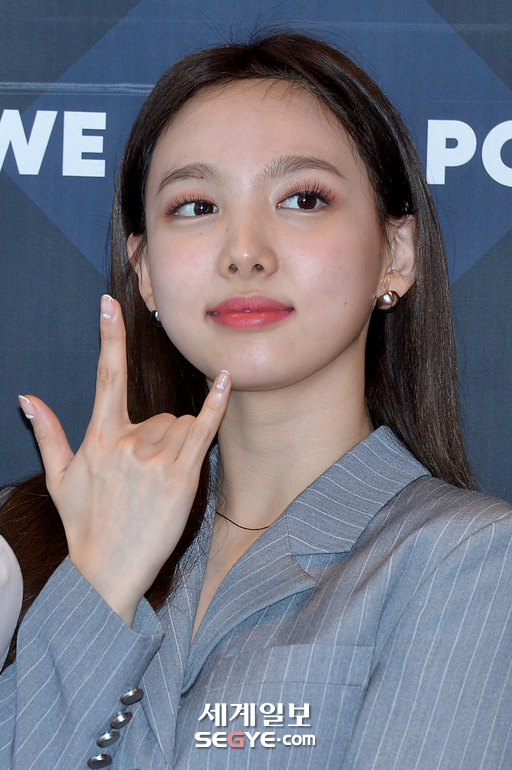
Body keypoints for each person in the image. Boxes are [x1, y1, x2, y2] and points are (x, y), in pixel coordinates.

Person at [1, 30, 511, 770]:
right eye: (196, 205)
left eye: (303, 199)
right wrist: (99, 582)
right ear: (144, 271)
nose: (244, 251)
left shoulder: (467, 560)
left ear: (396, 254)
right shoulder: (29, 541)